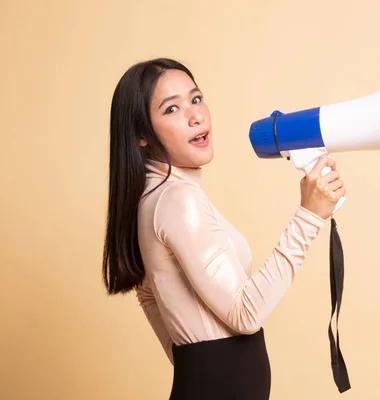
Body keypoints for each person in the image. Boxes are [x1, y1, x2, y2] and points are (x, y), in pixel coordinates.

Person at [101, 57, 346, 399]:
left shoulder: (152, 199)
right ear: (142, 135)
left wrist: (200, 367)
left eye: (196, 99)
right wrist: (309, 216)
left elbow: (149, 294)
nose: (195, 115)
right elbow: (246, 315)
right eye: (171, 109)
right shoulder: (178, 200)